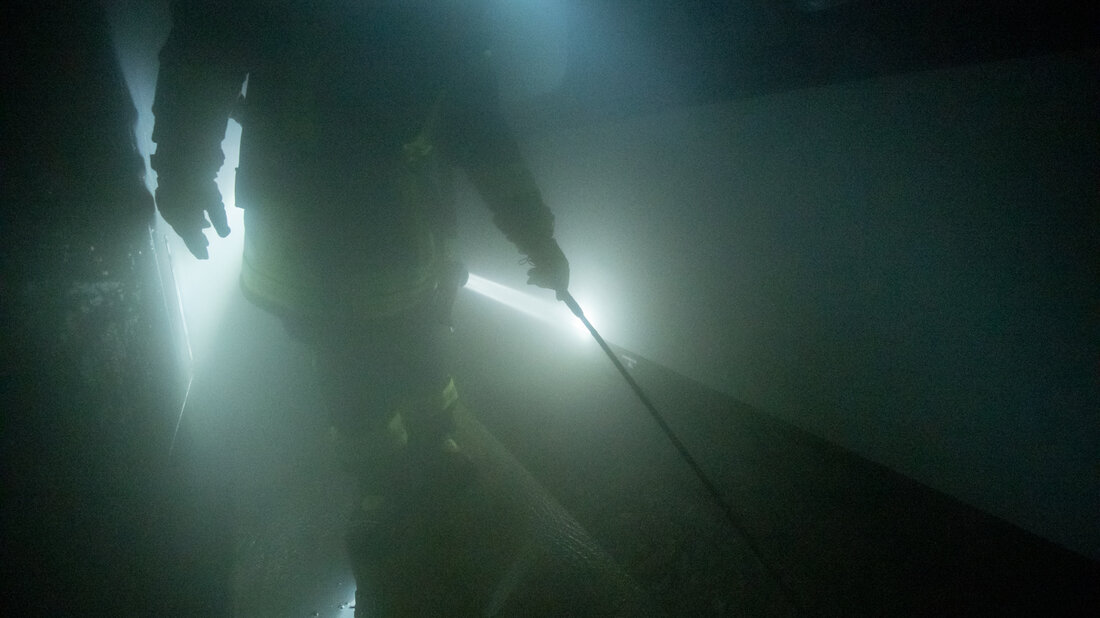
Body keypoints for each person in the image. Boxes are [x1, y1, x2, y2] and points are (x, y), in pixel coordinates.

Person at [150, 0, 570, 611]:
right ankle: (388, 480)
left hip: (373, 223)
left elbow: (479, 124)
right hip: (324, 223)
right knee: (351, 360)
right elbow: (202, 56)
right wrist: (536, 235)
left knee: (389, 347)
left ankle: (418, 459)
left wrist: (536, 233)